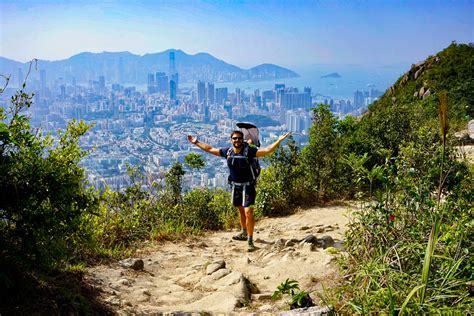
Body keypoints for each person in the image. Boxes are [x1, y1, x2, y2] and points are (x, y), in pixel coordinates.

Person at [187, 130, 290, 252]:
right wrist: (196, 142)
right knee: (241, 211)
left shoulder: (249, 151)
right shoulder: (228, 152)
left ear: (243, 139)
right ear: (231, 140)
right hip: (236, 187)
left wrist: (278, 141)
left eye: (239, 138)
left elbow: (267, 151)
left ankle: (250, 240)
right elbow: (210, 149)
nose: (237, 140)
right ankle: (243, 232)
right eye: (235, 138)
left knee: (248, 213)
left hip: (249, 187)